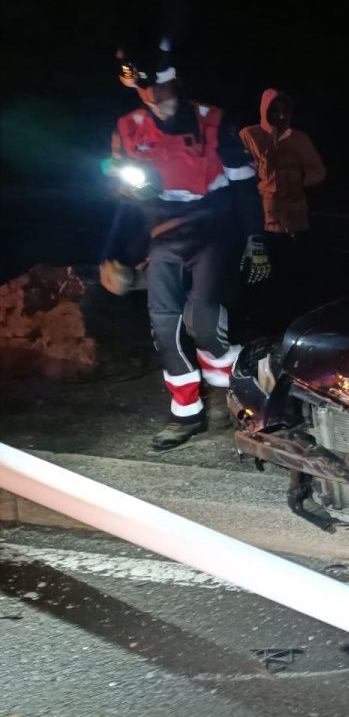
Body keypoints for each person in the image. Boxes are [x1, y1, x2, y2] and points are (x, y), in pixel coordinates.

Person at [103, 39, 262, 450]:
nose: (154, 98)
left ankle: (239, 392)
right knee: (164, 322)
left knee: (206, 323)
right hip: (163, 234)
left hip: (213, 228)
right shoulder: (129, 127)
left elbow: (245, 188)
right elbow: (122, 198)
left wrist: (255, 240)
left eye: (160, 86)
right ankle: (185, 415)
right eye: (144, 88)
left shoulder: (213, 122)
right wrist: (114, 254)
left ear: (176, 81)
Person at [239, 88, 326, 324]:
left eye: (283, 110)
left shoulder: (299, 139)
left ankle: (291, 322)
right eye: (273, 109)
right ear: (264, 110)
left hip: (294, 218)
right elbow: (239, 170)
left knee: (292, 274)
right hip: (261, 217)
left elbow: (318, 171)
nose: (278, 114)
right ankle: (257, 321)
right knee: (259, 273)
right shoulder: (250, 135)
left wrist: (296, 179)